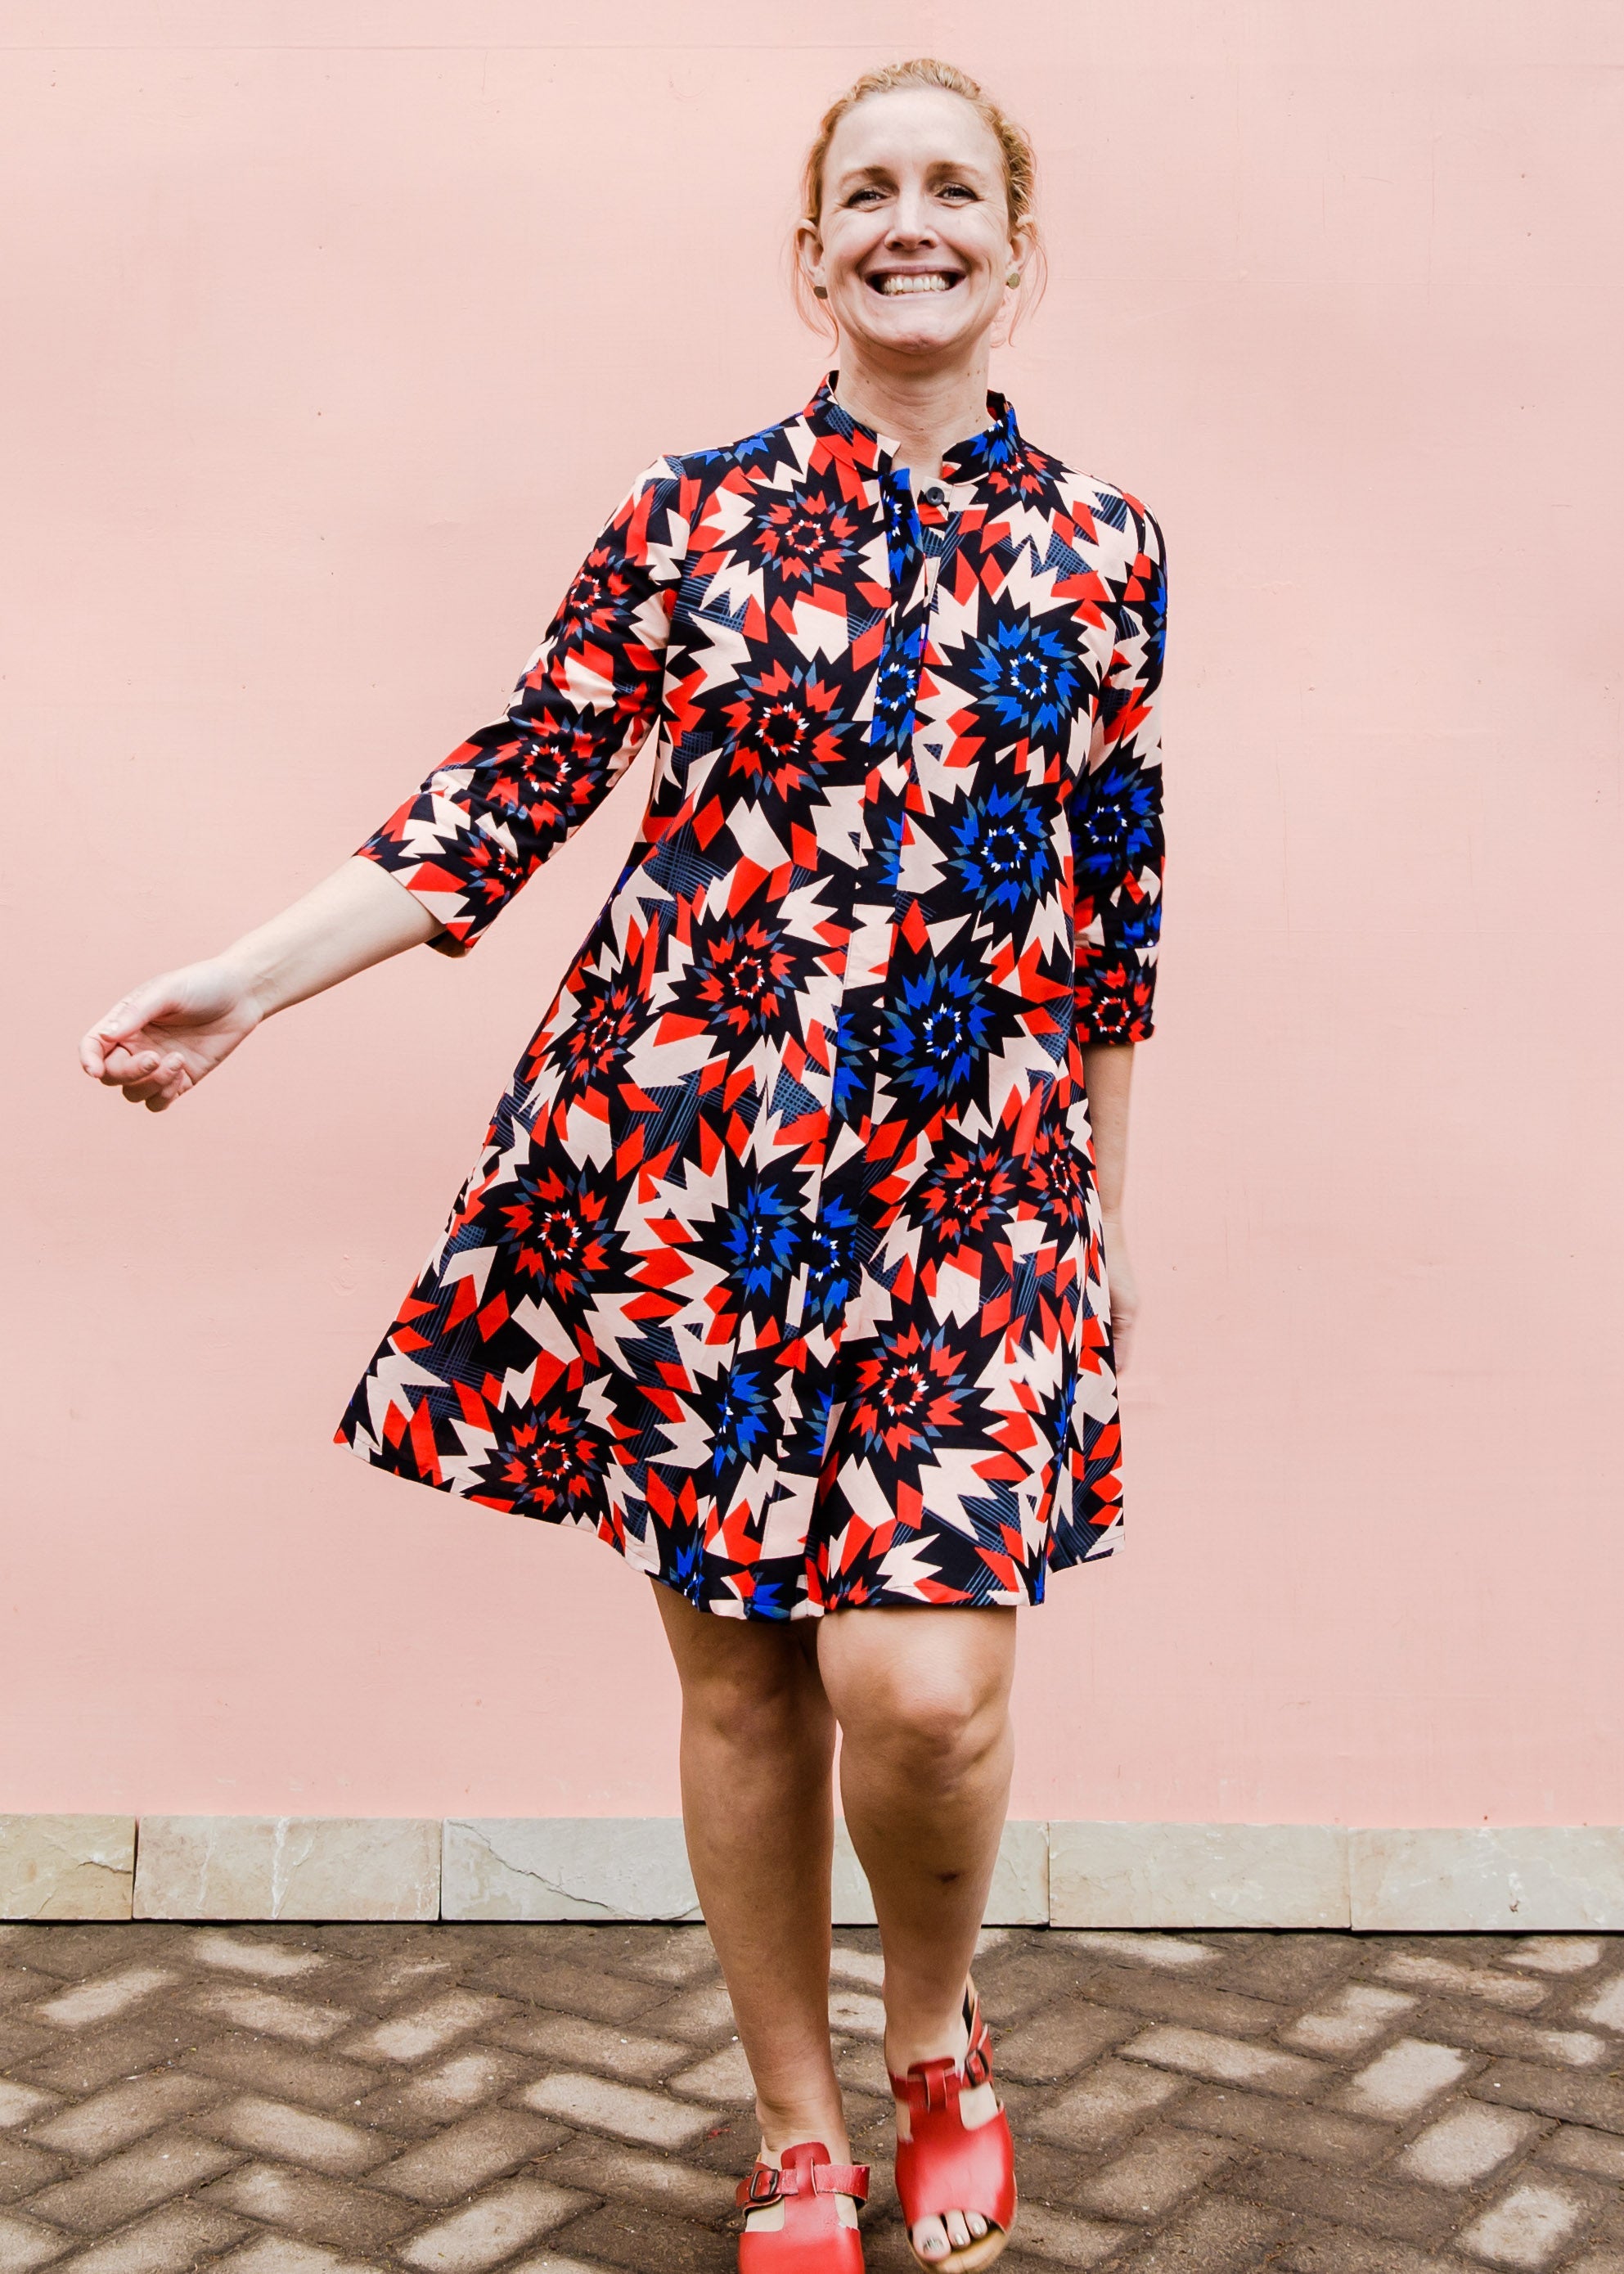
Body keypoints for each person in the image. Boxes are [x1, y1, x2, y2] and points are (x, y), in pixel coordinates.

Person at [79, 55, 1165, 2274]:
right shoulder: (688, 521)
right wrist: (253, 979)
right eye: (864, 189)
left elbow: (1110, 912)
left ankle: (935, 2036)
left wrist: (1106, 1214)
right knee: (742, 1672)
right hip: (685, 1175)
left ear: (1017, 249)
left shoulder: (1105, 551)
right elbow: (511, 785)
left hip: (968, 1194)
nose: (907, 219)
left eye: (951, 186)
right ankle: (791, 2127)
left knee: (922, 1689)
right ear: (809, 254)